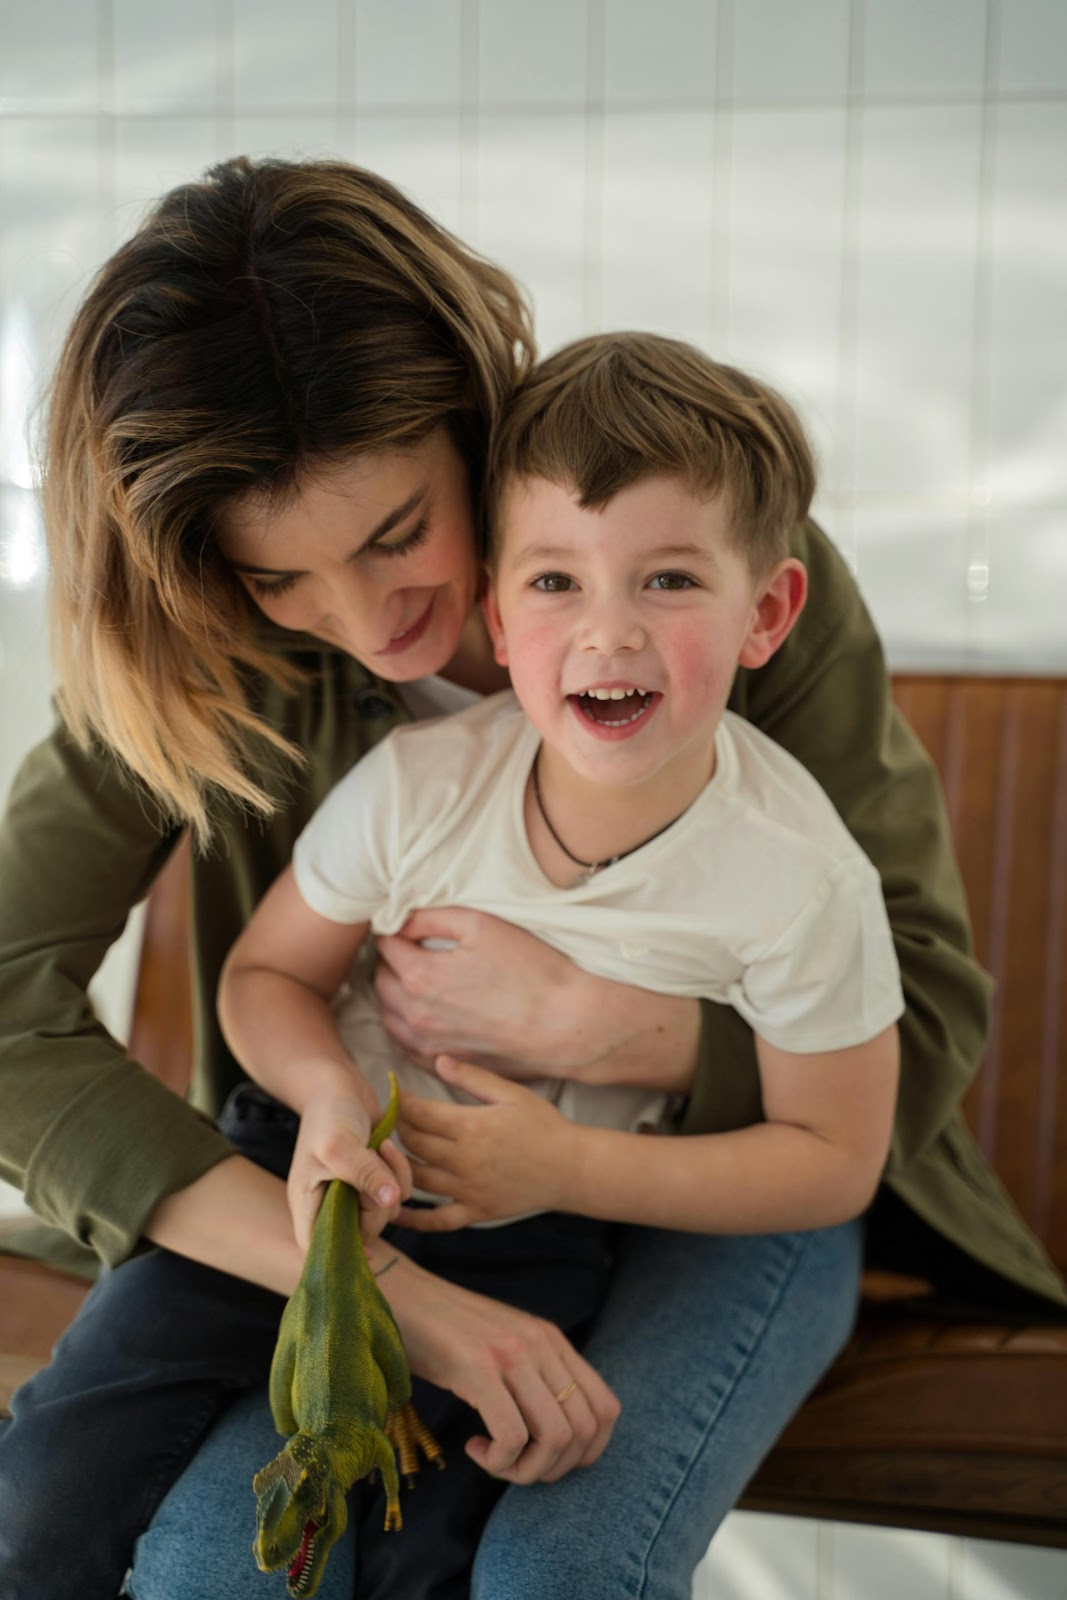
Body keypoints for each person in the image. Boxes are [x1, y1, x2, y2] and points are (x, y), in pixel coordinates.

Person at [0, 157, 1061, 1600]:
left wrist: (602, 1030)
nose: (366, 624)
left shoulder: (699, 570)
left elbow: (915, 1025)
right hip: (385, 1195)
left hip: (740, 1190)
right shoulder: (195, 635)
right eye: (281, 580)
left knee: (548, 1561)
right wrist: (392, 1284)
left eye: (397, 535)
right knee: (207, 1565)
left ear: (471, 408)